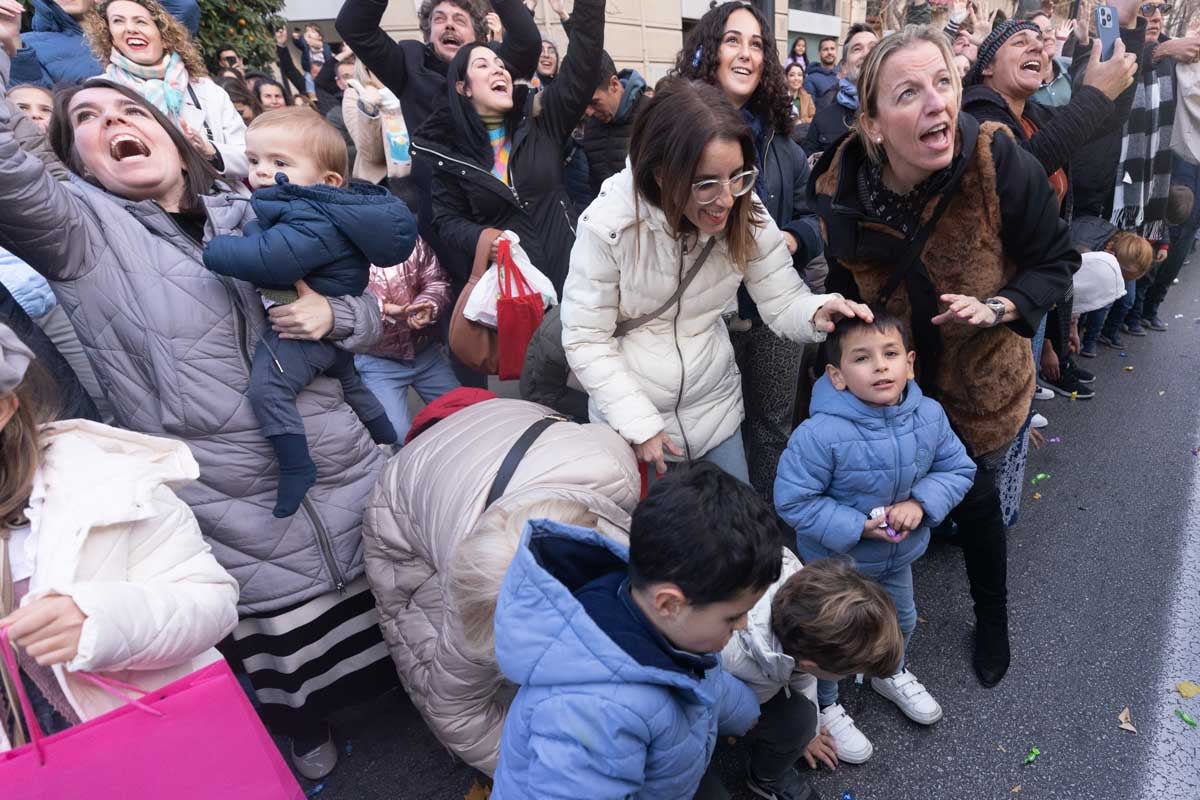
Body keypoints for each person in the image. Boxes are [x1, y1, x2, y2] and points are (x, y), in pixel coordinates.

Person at [0, 23, 394, 773]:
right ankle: (306, 746)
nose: (112, 122)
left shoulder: (260, 204)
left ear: (175, 135)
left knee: (401, 644)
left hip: (348, 474)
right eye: (85, 121)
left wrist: (334, 316)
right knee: (299, 703)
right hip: (235, 512)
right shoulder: (80, 236)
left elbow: (368, 311)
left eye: (129, 111)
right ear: (73, 162)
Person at [810, 25, 1077, 687]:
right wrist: (841, 368)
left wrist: (1003, 307)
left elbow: (1055, 263)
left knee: (980, 503)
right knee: (885, 494)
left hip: (980, 381)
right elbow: (844, 295)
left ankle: (992, 617)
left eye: (943, 84)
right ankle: (867, 630)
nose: (937, 105)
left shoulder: (998, 161)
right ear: (873, 124)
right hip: (892, 385)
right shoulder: (838, 187)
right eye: (909, 92)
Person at [563, 78, 868, 485]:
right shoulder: (609, 226)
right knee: (664, 544)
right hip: (636, 422)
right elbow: (586, 337)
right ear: (661, 175)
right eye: (706, 183)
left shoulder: (743, 206)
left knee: (735, 533)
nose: (725, 198)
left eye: (738, 176)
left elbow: (780, 298)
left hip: (716, 411)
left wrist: (817, 310)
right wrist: (636, 422)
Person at [363, 396, 640, 774]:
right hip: (402, 505)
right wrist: (541, 778)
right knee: (425, 652)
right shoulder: (470, 598)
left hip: (506, 434)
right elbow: (455, 713)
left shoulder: (615, 476)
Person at [0, 324, 239, 751]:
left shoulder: (104, 483)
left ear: (4, 408)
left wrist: (100, 620)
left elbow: (211, 602)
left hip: (158, 738)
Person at [490, 463, 778, 799]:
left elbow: (702, 686)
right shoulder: (593, 716)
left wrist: (746, 713)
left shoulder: (669, 626)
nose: (743, 625)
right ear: (669, 604)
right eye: (733, 618)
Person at [775, 314, 976, 762]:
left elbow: (958, 468)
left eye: (890, 355)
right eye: (862, 358)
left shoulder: (929, 415)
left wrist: (921, 504)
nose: (880, 367)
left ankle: (890, 670)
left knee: (901, 621)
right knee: (833, 638)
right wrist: (856, 525)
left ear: (910, 364)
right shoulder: (820, 434)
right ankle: (825, 705)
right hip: (835, 565)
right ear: (837, 376)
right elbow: (793, 500)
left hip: (898, 557)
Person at [203, 108, 415, 517]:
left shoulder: (309, 216)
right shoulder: (309, 209)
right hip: (334, 331)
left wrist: (216, 249)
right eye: (254, 161)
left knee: (269, 388)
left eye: (279, 163)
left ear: (328, 180)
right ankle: (385, 433)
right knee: (352, 384)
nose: (262, 172)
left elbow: (272, 259)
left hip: (307, 335)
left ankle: (297, 465)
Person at [671, 2, 828, 497]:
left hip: (772, 313)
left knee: (772, 428)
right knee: (712, 434)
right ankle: (718, 537)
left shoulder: (784, 147)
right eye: (732, 40)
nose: (745, 53)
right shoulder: (675, 133)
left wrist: (792, 238)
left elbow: (815, 218)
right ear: (709, 51)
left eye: (757, 43)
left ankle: (767, 533)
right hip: (700, 317)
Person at [412, 0, 606, 295]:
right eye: (483, 65)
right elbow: (448, 220)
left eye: (500, 65)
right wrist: (483, 238)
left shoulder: (542, 120)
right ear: (464, 87)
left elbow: (583, 67)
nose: (498, 70)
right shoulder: (450, 153)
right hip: (515, 298)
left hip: (577, 284)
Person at [721, 554, 904, 799]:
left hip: (750, 683)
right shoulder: (728, 655)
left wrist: (810, 733)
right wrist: (734, 722)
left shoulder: (802, 605)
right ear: (811, 663)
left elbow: (802, 675)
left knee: (802, 722)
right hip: (709, 702)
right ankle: (764, 778)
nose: (852, 677)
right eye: (850, 673)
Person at [82, 0, 248, 181]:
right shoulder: (98, 92)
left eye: (140, 21)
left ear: (164, 35)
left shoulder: (206, 90)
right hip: (142, 204)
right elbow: (91, 166)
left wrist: (210, 151)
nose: (130, 28)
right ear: (110, 37)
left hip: (219, 200)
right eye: (118, 21)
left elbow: (250, 158)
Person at [355, 184, 459, 438]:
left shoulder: (411, 243)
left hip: (425, 353)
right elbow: (343, 303)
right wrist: (388, 310)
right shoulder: (345, 254)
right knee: (395, 435)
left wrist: (427, 305)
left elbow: (436, 280)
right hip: (377, 360)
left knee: (464, 415)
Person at [7, 0, 197, 87]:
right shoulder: (29, 43)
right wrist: (12, 41)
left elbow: (184, 8)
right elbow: (31, 105)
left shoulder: (136, 28)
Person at [1071, 216, 1153, 356]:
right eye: (1121, 278)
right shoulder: (1083, 254)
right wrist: (1071, 326)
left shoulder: (1111, 241)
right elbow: (1067, 293)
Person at [580, 50, 648, 202]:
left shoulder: (652, 115)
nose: (589, 112)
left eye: (594, 102)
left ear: (614, 84)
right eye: (583, 105)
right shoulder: (591, 125)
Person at [802, 22, 877, 157]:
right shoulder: (822, 120)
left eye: (873, 47)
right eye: (857, 49)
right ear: (843, 67)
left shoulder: (902, 113)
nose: (866, 54)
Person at [803, 34, 839, 109]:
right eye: (825, 49)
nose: (829, 52)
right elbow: (809, 110)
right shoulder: (810, 79)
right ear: (819, 53)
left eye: (832, 49)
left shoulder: (844, 75)